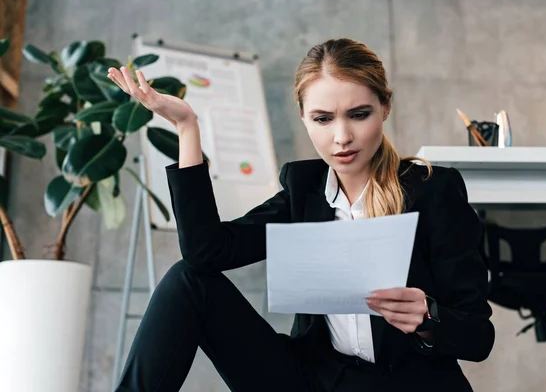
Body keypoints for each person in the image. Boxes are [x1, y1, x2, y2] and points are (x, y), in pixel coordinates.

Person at [108, 38, 494, 392]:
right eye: (323, 119)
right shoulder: (303, 190)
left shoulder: (432, 190)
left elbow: (479, 336)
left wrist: (428, 318)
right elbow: (204, 253)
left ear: (385, 107)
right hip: (314, 381)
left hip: (406, 384)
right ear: (304, 117)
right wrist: (186, 128)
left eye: (359, 114)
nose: (341, 137)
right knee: (187, 281)